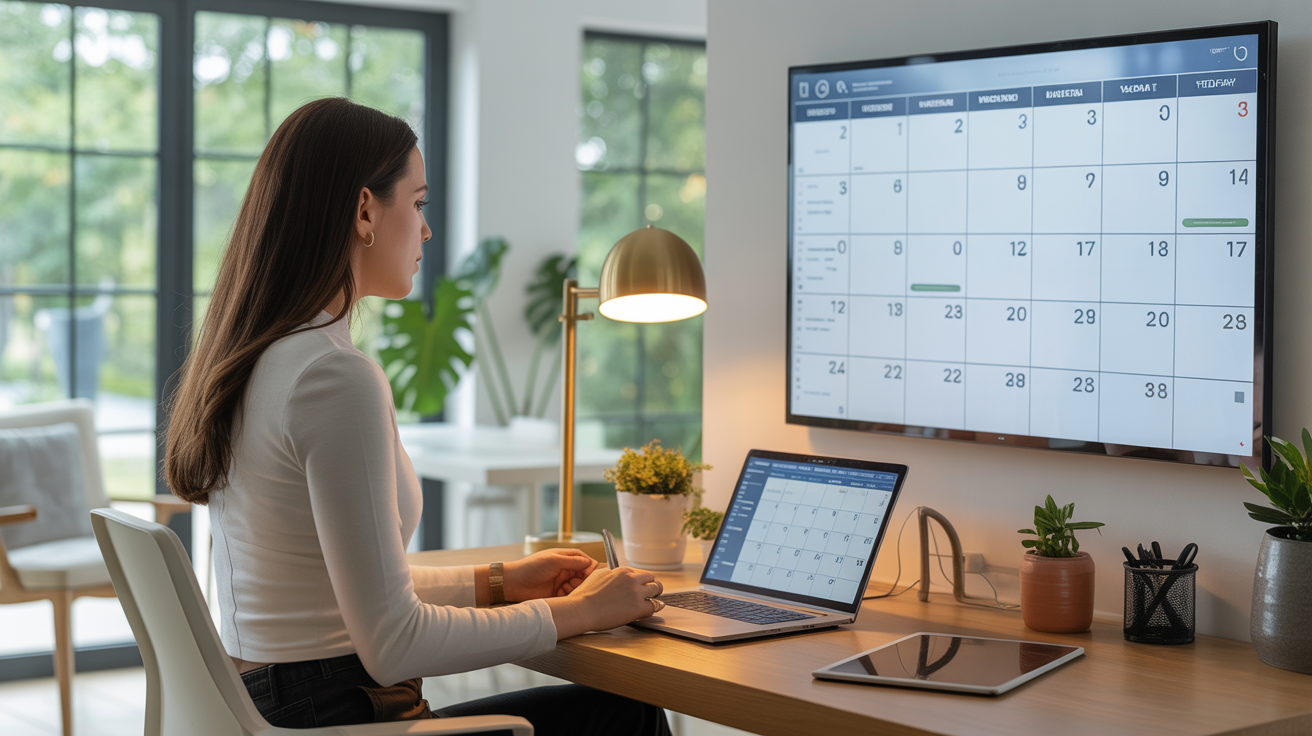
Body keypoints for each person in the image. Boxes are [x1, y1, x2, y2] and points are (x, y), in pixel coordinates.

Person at [164, 98, 670, 735]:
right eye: (419, 202)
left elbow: (347, 593)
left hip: (279, 707)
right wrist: (584, 611)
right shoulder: (332, 377)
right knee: (625, 713)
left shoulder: (260, 358)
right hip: (345, 715)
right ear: (365, 211)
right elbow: (395, 643)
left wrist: (500, 581)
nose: (427, 231)